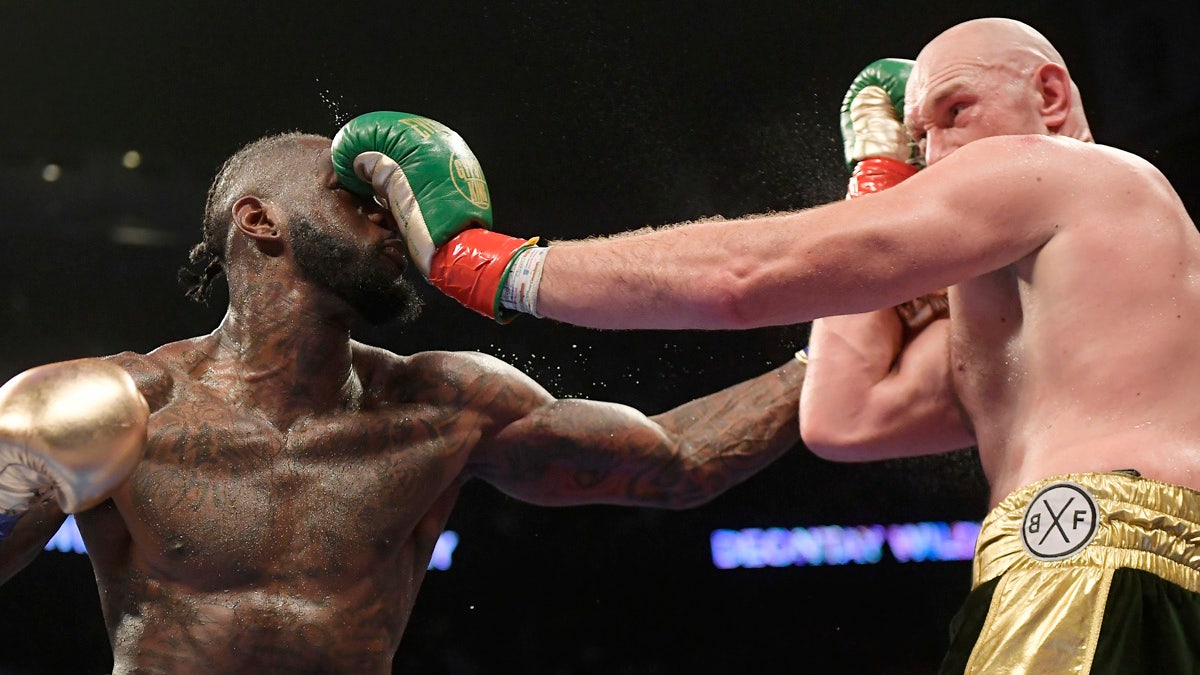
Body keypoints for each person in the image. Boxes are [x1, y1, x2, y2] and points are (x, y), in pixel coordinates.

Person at [340, 16, 1200, 674]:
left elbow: (755, 273)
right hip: (1082, 565)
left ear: (1049, 96)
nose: (936, 148)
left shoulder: (1080, 172)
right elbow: (843, 411)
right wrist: (877, 185)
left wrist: (496, 267)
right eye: (918, 135)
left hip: (1093, 557)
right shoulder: (1046, 311)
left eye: (954, 110)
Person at [0, 129, 805, 672]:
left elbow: (681, 461)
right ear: (260, 221)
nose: (401, 222)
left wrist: (842, 335)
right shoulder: (118, 404)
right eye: (360, 199)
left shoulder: (448, 405)